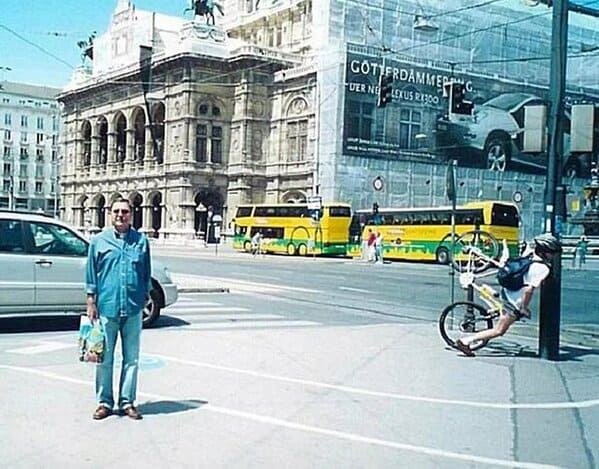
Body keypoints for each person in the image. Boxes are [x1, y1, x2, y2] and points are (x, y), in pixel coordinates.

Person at [85, 198, 152, 420]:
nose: (120, 215)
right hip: (107, 307)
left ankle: (127, 402)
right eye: (116, 211)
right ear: (109, 213)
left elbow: (146, 273)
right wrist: (91, 301)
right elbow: (91, 273)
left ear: (131, 214)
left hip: (132, 309)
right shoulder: (98, 241)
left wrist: (144, 297)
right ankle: (104, 402)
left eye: (124, 211)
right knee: (104, 358)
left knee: (131, 358)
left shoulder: (141, 241)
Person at [455, 233, 561, 357]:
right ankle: (465, 341)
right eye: (551, 253)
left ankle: (475, 338)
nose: (553, 256)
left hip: (507, 293)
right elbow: (528, 290)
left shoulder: (529, 256)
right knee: (499, 330)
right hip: (513, 302)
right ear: (544, 252)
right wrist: (523, 308)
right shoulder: (542, 268)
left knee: (500, 323)